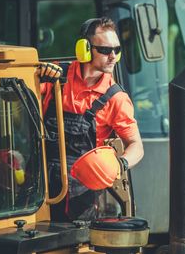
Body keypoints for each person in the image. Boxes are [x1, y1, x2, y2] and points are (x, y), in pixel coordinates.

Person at [36, 17, 144, 221]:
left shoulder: (116, 98)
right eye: (105, 50)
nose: (113, 56)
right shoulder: (55, 76)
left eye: (117, 50)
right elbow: (15, 100)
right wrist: (38, 76)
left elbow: (137, 146)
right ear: (84, 49)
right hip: (40, 186)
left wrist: (120, 164)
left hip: (81, 194)